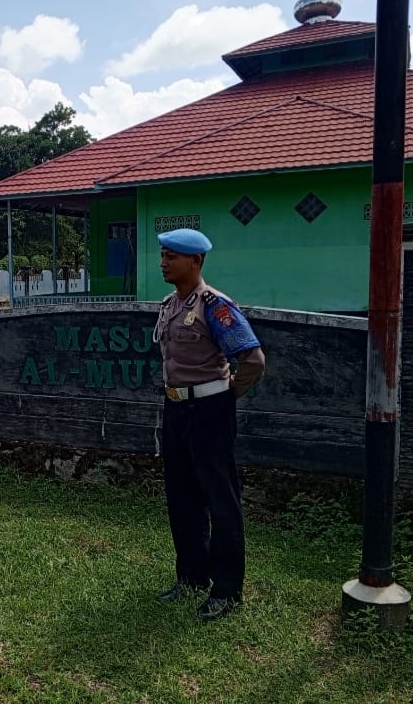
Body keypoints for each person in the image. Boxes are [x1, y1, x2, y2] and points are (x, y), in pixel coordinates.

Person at [152, 228, 266, 621]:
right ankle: (192, 576)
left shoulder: (215, 306)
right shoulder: (170, 304)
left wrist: (227, 395)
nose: (163, 262)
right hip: (176, 409)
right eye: (163, 255)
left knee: (220, 499)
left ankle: (227, 589)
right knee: (182, 496)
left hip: (210, 410)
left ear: (195, 261)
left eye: (172, 256)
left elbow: (253, 360)